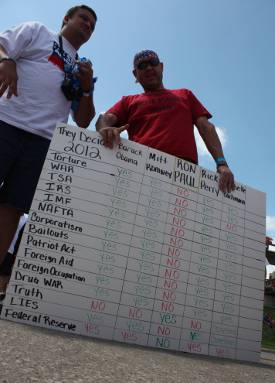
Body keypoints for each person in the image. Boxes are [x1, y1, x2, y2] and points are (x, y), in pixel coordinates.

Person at [0, 5, 97, 289]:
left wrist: (87, 88)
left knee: (13, 208)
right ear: (66, 18)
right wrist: (7, 62)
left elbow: (83, 121)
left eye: (92, 25)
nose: (88, 25)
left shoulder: (82, 67)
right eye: (84, 18)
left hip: (44, 141)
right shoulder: (37, 31)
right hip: (5, 121)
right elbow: (2, 46)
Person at [96, 50, 235, 193]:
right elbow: (105, 119)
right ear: (135, 75)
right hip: (141, 170)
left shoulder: (185, 95)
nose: (149, 68)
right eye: (142, 66)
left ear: (161, 67)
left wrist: (222, 163)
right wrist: (104, 128)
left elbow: (206, 127)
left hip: (183, 173)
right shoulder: (127, 102)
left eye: (153, 63)